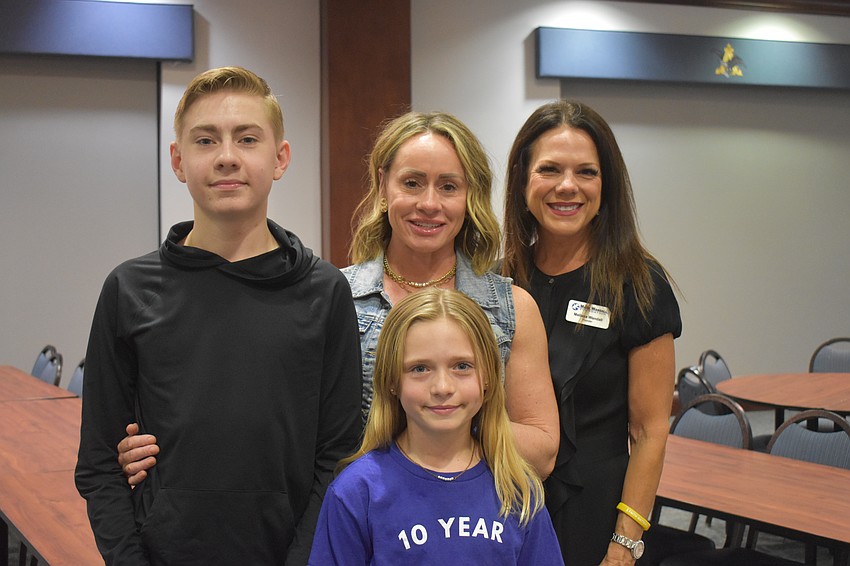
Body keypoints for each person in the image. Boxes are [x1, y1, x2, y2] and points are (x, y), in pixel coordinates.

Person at [116, 111, 560, 482]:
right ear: (384, 185)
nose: (429, 203)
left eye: (448, 186)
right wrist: (156, 445)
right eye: (411, 183)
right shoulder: (328, 296)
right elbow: (277, 430)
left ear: (470, 196)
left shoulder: (511, 307)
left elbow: (541, 453)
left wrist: (448, 417)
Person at [74, 66, 362, 565]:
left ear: (280, 158)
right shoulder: (129, 290)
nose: (227, 157)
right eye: (206, 141)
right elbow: (100, 463)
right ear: (179, 161)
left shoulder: (324, 292)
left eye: (247, 139)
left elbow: (338, 460)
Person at [501, 99, 682, 565]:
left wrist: (623, 547)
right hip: (503, 506)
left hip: (597, 516)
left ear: (607, 184)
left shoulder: (638, 285)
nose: (567, 186)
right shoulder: (497, 283)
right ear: (522, 178)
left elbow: (649, 432)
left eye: (586, 172)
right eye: (549, 170)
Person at [309, 288, 564, 565]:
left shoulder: (518, 489)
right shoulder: (357, 491)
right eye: (420, 369)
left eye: (462, 366)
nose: (443, 387)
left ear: (489, 376)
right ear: (392, 380)